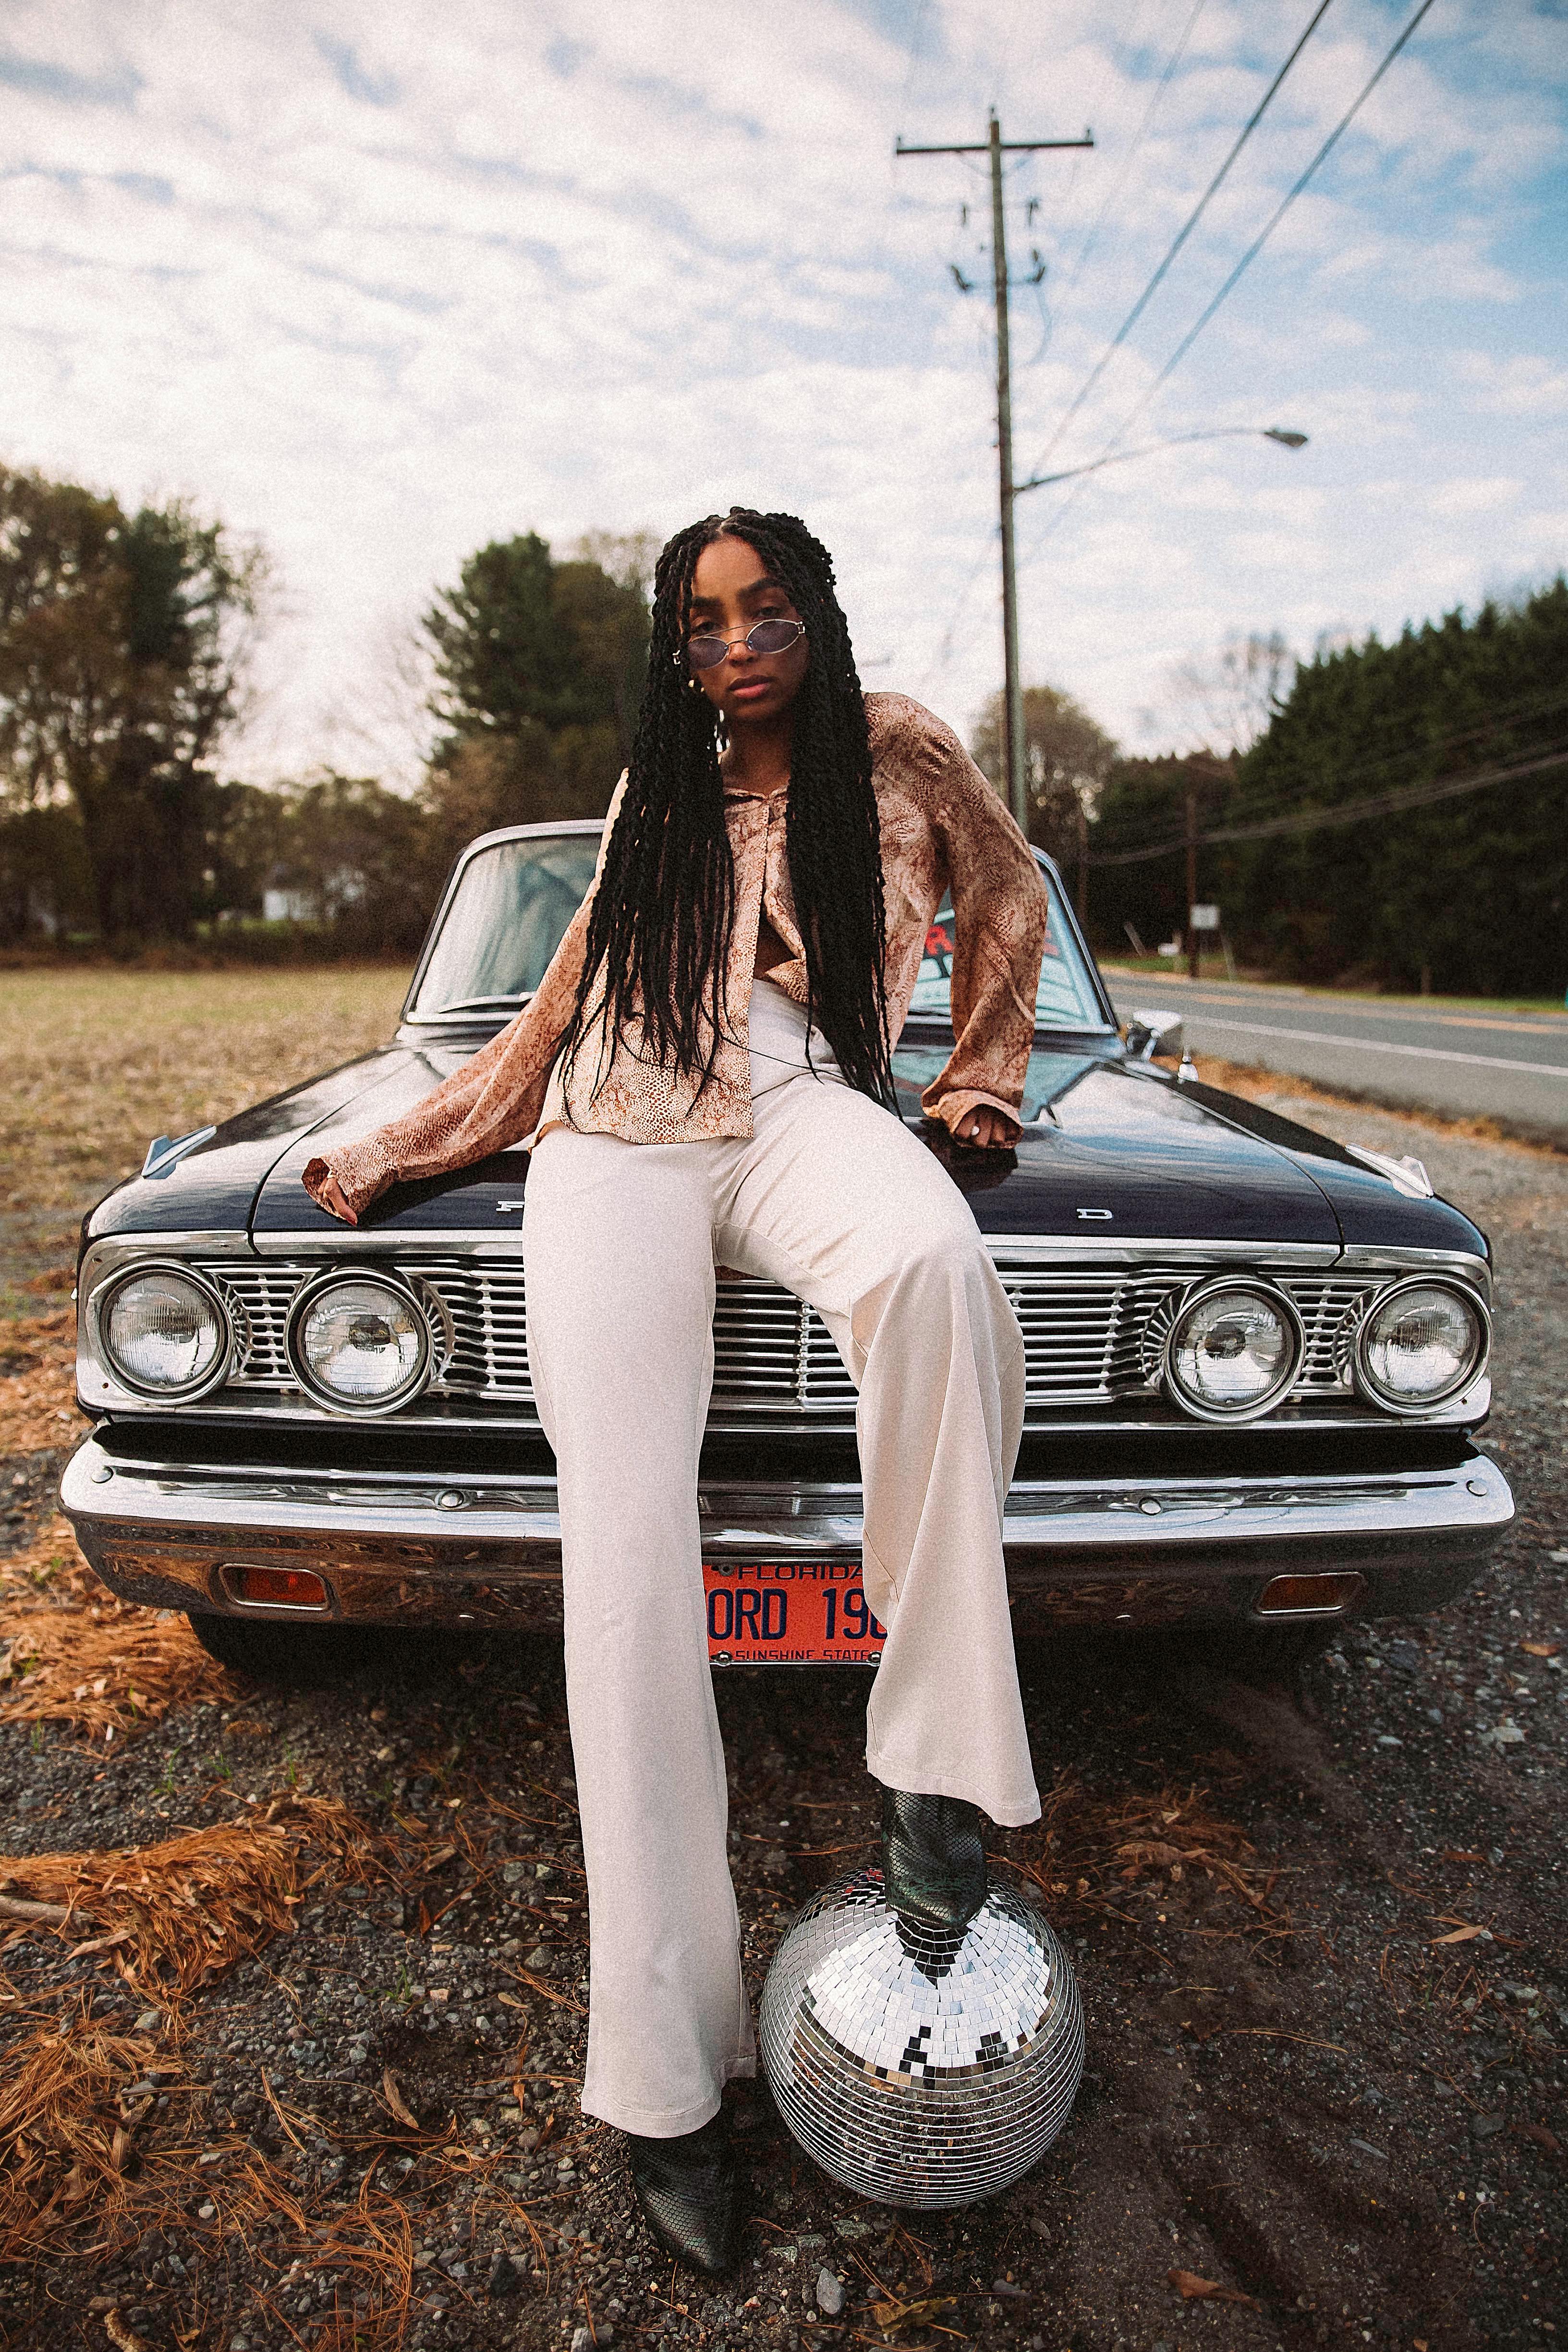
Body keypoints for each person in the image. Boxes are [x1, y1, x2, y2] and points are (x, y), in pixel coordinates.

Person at [304, 508, 1049, 2274]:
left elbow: (1008, 894)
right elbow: (564, 998)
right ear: (677, 642)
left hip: (799, 1090)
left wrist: (981, 1084)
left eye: (764, 608)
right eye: (705, 619)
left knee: (937, 1268)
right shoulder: (660, 779)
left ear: (814, 613)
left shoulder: (902, 745)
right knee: (624, 1561)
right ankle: (665, 2082)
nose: (736, 643)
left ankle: (937, 1781)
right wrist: (419, 1137)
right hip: (614, 1125)